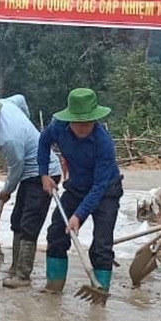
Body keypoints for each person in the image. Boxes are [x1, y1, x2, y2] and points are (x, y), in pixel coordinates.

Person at [0, 93, 62, 288]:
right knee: (17, 219)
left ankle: (23, 275)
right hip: (28, 174)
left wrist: (7, 190)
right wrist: (29, 126)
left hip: (44, 173)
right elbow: (21, 98)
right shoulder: (3, 104)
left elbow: (15, 168)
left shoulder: (8, 138)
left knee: (29, 223)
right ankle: (15, 267)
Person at [38, 88, 122, 294]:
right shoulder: (58, 127)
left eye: (88, 122)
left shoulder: (104, 143)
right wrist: (44, 174)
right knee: (57, 232)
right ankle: (54, 286)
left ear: (96, 119)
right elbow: (43, 142)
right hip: (76, 187)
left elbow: (99, 187)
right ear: (69, 119)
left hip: (106, 192)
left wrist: (78, 215)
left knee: (101, 245)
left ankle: (101, 291)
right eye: (78, 123)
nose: (83, 128)